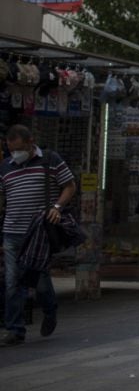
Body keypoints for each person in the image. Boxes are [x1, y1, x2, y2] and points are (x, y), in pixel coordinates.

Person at [0, 125, 76, 346]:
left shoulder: (50, 159)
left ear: (31, 142)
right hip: (12, 232)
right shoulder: (6, 167)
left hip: (38, 233)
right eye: (11, 150)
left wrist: (57, 206)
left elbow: (70, 186)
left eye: (19, 149)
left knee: (40, 281)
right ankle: (15, 330)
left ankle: (50, 310)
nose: (15, 154)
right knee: (12, 282)